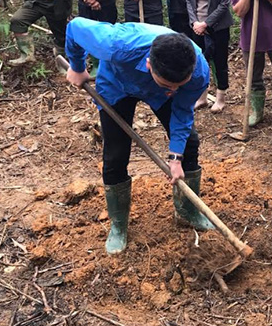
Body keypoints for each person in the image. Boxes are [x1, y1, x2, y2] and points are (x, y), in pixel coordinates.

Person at [65, 18, 214, 255]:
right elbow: (74, 28)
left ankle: (187, 211)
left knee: (190, 143)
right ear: (148, 65)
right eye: (168, 84)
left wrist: (175, 158)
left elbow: (182, 111)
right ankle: (119, 225)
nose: (174, 90)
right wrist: (77, 66)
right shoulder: (116, 44)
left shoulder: (197, 71)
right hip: (117, 86)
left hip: (157, 94)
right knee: (115, 155)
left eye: (179, 86)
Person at [186, 0, 234, 112]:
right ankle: (202, 97)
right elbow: (189, 0)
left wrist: (206, 23)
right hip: (197, 26)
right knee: (199, 61)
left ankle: (220, 97)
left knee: (220, 61)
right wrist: (195, 22)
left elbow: (224, 4)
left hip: (218, 27)